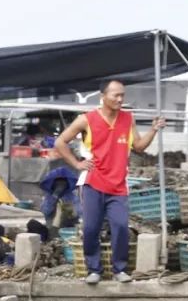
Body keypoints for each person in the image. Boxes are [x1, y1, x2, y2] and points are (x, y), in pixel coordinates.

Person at [54, 78, 166, 284]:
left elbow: (139, 147)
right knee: (90, 228)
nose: (120, 99)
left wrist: (153, 129)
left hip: (118, 185)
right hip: (92, 183)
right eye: (116, 95)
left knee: (121, 227)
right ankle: (94, 269)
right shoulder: (85, 119)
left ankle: (120, 269)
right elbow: (60, 141)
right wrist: (76, 164)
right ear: (103, 96)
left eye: (122, 95)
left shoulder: (127, 118)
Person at [39, 166, 82, 230]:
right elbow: (45, 211)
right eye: (58, 183)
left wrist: (72, 211)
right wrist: (55, 196)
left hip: (69, 228)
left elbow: (80, 213)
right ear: (53, 184)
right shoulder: (49, 196)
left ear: (67, 184)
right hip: (52, 227)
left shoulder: (71, 196)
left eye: (63, 183)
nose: (61, 186)